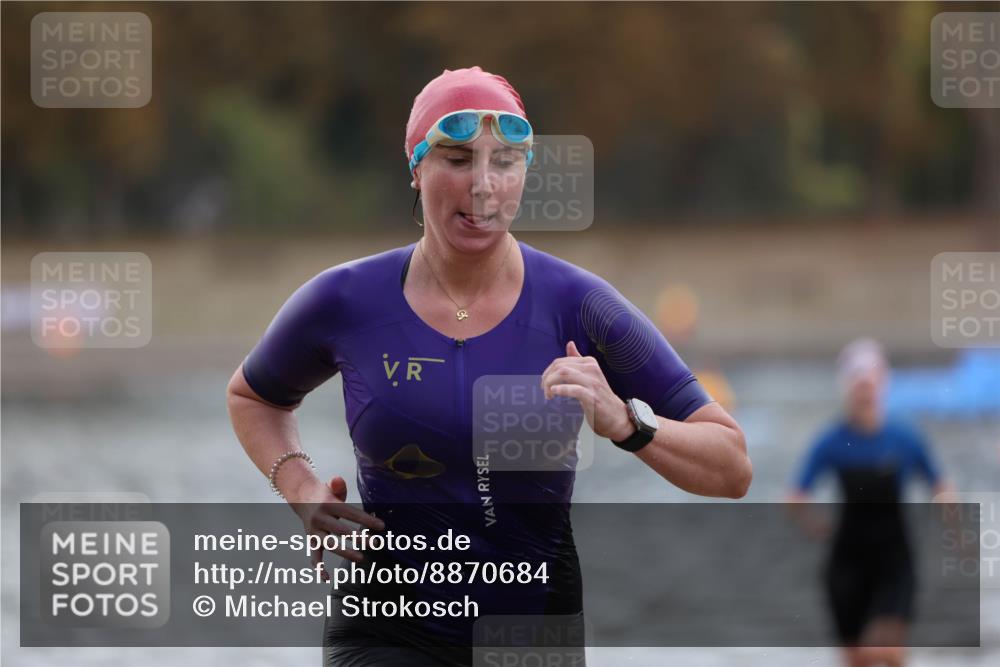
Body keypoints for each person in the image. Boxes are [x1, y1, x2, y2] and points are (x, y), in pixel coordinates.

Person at [226, 65, 751, 666]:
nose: (483, 186)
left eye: (504, 161)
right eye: (456, 159)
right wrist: (300, 489)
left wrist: (630, 424)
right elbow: (254, 396)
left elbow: (731, 466)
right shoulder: (344, 299)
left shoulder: (582, 307)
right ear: (416, 170)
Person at [787, 338, 951, 667]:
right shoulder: (832, 441)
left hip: (894, 561)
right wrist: (815, 526)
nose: (864, 391)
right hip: (846, 564)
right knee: (857, 659)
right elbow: (794, 496)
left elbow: (941, 484)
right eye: (857, 383)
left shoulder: (904, 437)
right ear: (846, 387)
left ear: (882, 384)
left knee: (887, 650)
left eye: (870, 383)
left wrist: (952, 518)